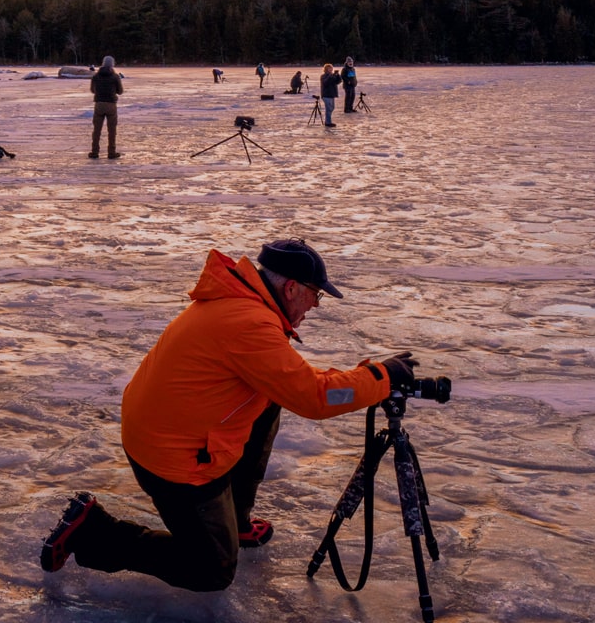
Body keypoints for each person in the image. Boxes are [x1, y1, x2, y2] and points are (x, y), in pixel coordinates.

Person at [40, 239, 411, 592]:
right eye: (316, 295)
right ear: (292, 289)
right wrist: (381, 378)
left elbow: (292, 380)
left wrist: (368, 377)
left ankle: (237, 519)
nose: (315, 305)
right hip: (175, 460)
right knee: (212, 569)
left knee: (269, 397)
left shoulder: (240, 303)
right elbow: (315, 398)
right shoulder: (248, 323)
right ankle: (93, 531)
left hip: (162, 431)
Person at [89, 55, 123, 159]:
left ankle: (95, 152)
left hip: (99, 104)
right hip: (111, 104)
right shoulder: (115, 76)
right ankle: (111, 152)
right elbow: (120, 91)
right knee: (112, 130)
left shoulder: (96, 76)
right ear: (112, 64)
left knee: (97, 130)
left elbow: (92, 90)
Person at [319, 62, 341, 128]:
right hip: (326, 95)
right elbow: (325, 83)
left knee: (332, 108)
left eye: (331, 68)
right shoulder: (323, 76)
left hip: (332, 94)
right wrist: (330, 76)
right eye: (329, 69)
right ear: (326, 69)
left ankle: (328, 121)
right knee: (328, 109)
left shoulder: (332, 76)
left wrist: (337, 76)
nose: (330, 70)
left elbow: (338, 82)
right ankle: (328, 122)